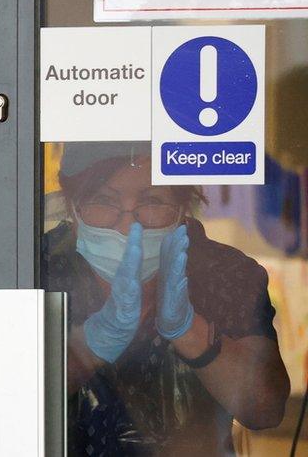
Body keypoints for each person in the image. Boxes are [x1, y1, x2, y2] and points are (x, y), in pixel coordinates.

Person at [41, 142, 290, 456]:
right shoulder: (39, 267)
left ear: (183, 210)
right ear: (73, 210)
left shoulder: (224, 272)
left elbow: (265, 409)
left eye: (152, 202)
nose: (128, 226)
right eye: (103, 201)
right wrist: (89, 346)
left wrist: (190, 332)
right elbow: (7, 397)